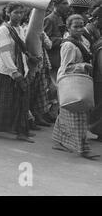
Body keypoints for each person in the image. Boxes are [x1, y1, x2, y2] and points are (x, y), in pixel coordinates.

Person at [52, 14, 99, 160]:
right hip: (70, 82)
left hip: (78, 80)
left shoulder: (83, 40)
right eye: (76, 27)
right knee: (78, 115)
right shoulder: (68, 45)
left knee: (66, 113)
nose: (79, 29)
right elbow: (66, 67)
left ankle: (59, 140)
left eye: (81, 26)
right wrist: (83, 65)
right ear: (68, 28)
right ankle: (82, 148)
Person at [0, 2, 34, 143]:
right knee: (1, 102)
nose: (19, 16)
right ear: (8, 13)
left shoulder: (20, 29)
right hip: (7, 71)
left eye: (21, 13)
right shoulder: (4, 30)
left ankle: (21, 131)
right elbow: (4, 53)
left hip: (20, 69)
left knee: (21, 101)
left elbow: (21, 49)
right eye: (16, 13)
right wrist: (14, 71)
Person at [44, 0, 69, 84]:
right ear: (56, 4)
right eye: (64, 3)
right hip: (54, 59)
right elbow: (46, 40)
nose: (67, 6)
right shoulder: (49, 19)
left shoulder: (62, 18)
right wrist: (64, 40)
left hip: (62, 58)